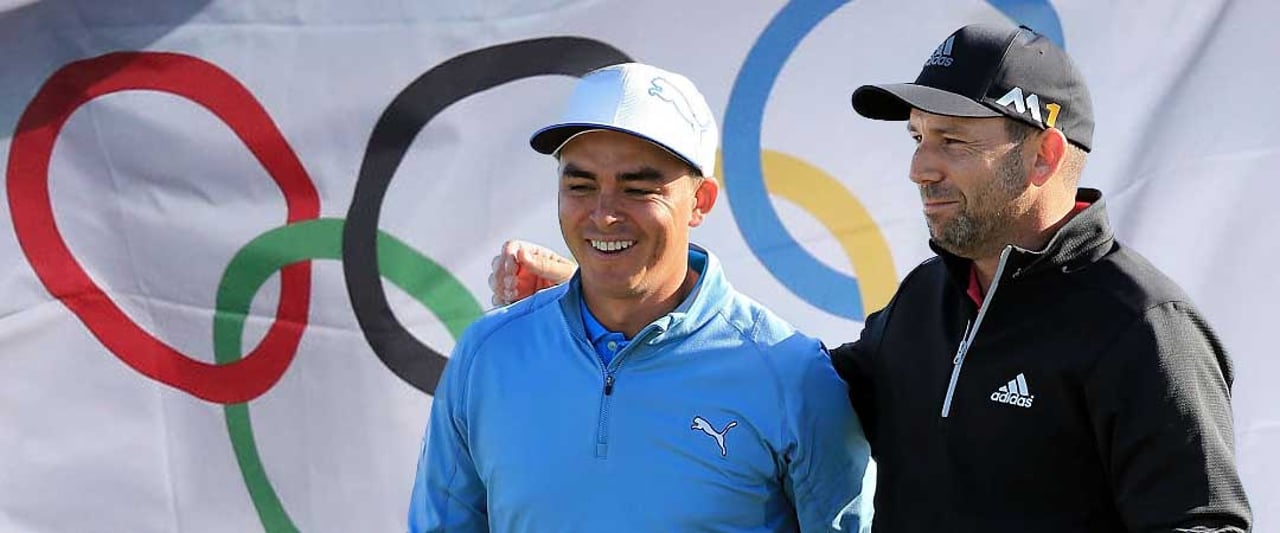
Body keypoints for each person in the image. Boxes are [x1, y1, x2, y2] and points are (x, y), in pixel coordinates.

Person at [487, 24, 1252, 532]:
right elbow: (781, 383)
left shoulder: (1141, 325)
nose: (920, 166)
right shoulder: (929, 298)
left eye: (952, 140)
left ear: (1045, 156)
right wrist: (606, 286)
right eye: (918, 137)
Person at [409, 62, 872, 533]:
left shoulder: (792, 374)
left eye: (637, 188)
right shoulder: (487, 354)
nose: (604, 214)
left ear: (700, 201)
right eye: (580, 186)